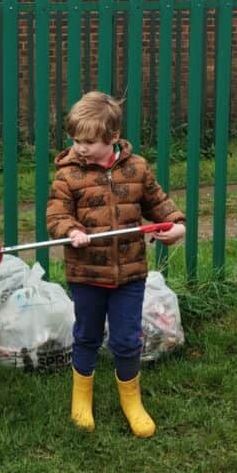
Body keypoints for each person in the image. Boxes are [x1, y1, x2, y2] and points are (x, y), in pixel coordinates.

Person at [46, 92, 185, 438]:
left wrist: (176, 224)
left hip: (130, 274)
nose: (80, 148)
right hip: (87, 274)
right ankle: (81, 398)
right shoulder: (68, 176)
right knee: (87, 336)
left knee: (127, 339)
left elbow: (159, 203)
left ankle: (131, 401)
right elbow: (56, 215)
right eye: (76, 140)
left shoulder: (137, 169)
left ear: (112, 137)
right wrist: (71, 230)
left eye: (89, 141)